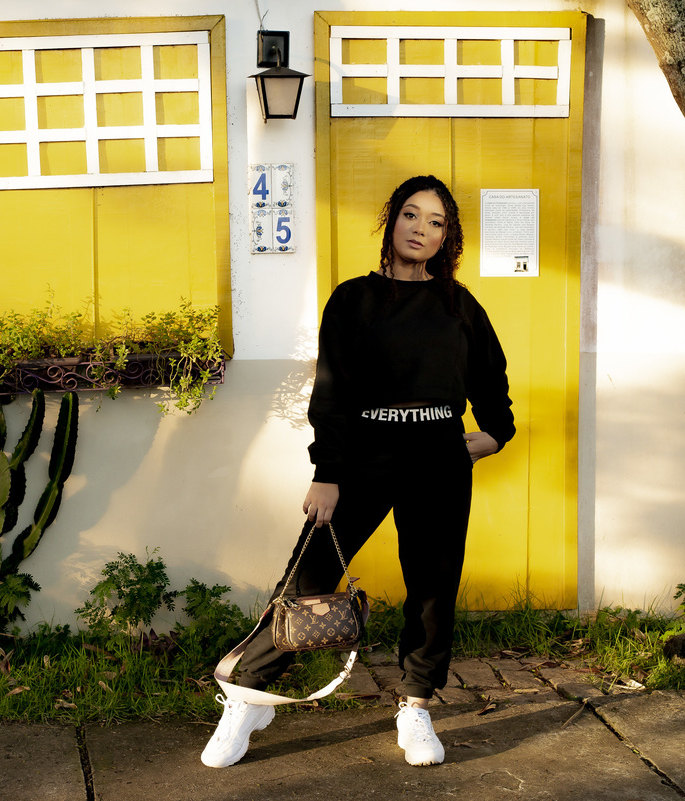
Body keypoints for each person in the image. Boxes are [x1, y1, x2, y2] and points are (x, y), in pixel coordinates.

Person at [201, 175, 514, 769]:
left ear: (447, 237)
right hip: (363, 457)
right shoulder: (353, 300)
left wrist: (496, 432)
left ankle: (415, 706)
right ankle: (249, 697)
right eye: (411, 215)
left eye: (436, 222)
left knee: (432, 588)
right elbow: (333, 391)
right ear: (391, 220)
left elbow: (490, 377)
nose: (421, 229)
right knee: (308, 580)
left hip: (438, 461)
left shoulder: (458, 304)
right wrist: (328, 472)